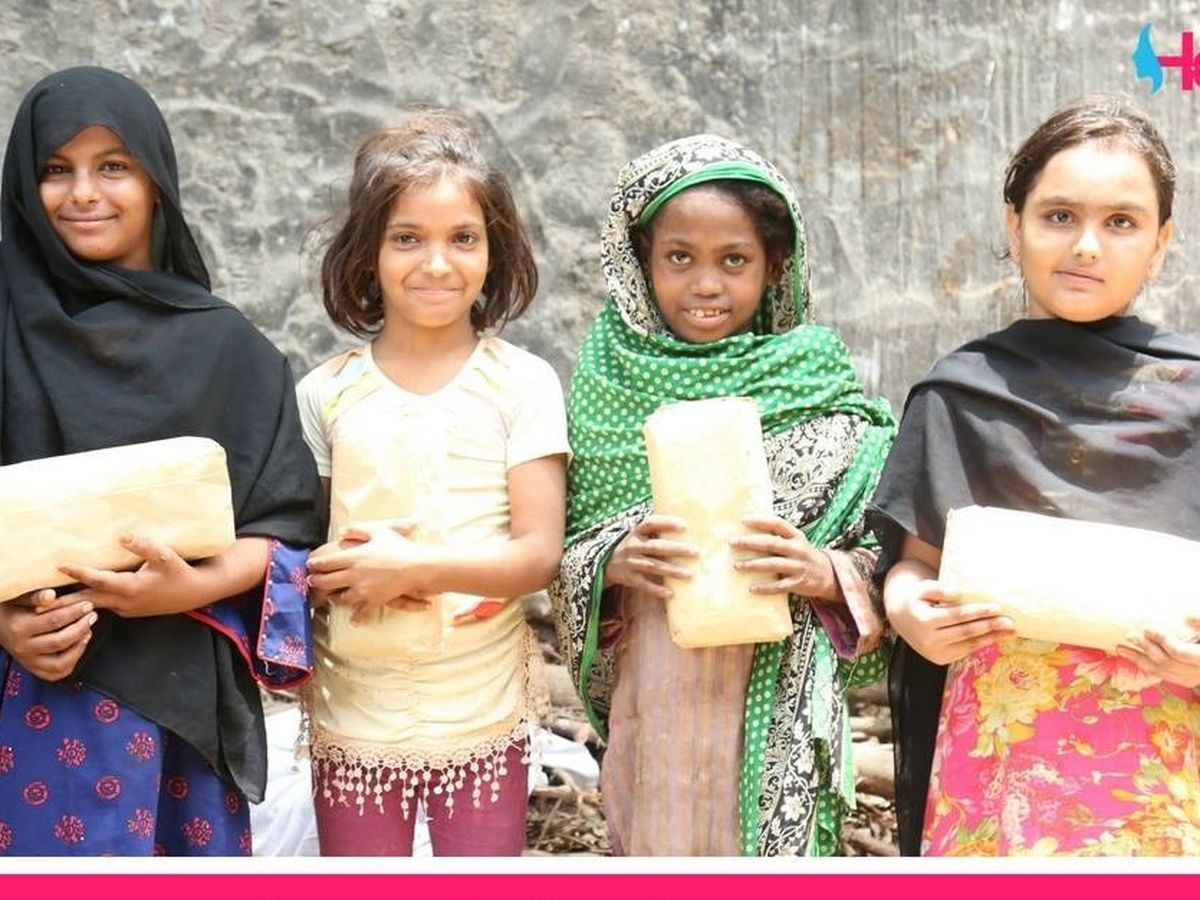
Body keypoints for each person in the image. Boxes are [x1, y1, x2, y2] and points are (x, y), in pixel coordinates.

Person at [0, 66, 324, 856]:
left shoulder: (230, 353)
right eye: (55, 168)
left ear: (155, 181)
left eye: (113, 165)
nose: (83, 193)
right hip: (18, 700)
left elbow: (286, 534)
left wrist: (193, 586)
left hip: (175, 718)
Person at [870, 94, 1200, 856]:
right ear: (1013, 224)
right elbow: (914, 564)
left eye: (1121, 222)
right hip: (1000, 766)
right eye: (1059, 216)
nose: (1086, 245)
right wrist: (914, 614)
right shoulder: (962, 392)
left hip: (1165, 769)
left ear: (1161, 242)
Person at [550, 134, 896, 856]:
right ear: (641, 261)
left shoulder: (814, 374)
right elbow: (570, 543)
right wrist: (611, 562)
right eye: (680, 258)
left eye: (734, 260)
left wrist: (825, 571)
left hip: (781, 686)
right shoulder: (610, 376)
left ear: (774, 267)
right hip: (659, 683)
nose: (706, 284)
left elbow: (886, 546)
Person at [298, 110, 568, 857]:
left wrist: (415, 569)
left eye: (463, 238)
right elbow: (300, 553)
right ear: (367, 253)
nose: (437, 263)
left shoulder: (522, 385)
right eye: (407, 238)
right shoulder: (326, 394)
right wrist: (331, 575)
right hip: (355, 702)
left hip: (480, 702)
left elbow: (538, 553)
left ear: (495, 251)